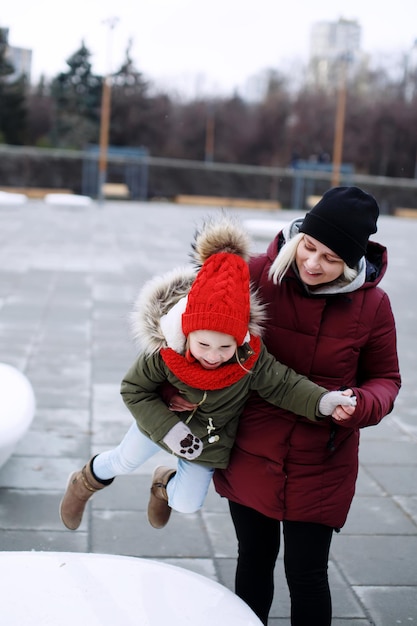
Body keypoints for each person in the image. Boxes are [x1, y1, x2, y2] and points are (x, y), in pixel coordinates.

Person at [59, 215, 355, 532]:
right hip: (160, 425)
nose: (213, 357)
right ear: (187, 333)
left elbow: (284, 384)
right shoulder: (166, 352)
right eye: (203, 345)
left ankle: (163, 484)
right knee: (125, 460)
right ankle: (85, 481)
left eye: (225, 348)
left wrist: (322, 401)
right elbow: (133, 390)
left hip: (208, 441)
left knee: (187, 504)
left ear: (240, 339)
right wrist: (169, 429)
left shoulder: (250, 358)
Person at [211, 187, 401, 626]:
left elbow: (386, 380)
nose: (313, 264)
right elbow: (197, 336)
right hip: (253, 450)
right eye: (309, 248)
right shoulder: (257, 274)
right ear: (298, 237)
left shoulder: (373, 305)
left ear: (352, 262)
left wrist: (362, 404)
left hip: (323, 461)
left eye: (331, 258)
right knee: (253, 561)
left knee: (308, 574)